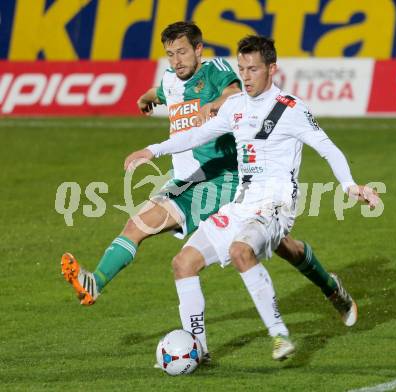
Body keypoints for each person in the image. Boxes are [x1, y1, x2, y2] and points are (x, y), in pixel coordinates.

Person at [61, 23, 358, 357]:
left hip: (223, 178)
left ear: (199, 49)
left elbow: (234, 91)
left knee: (271, 245)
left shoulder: (219, 73)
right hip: (188, 180)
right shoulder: (172, 80)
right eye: (170, 54)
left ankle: (320, 296)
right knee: (145, 229)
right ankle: (98, 284)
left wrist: (216, 103)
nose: (176, 60)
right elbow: (162, 93)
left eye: (183, 52)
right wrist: (146, 101)